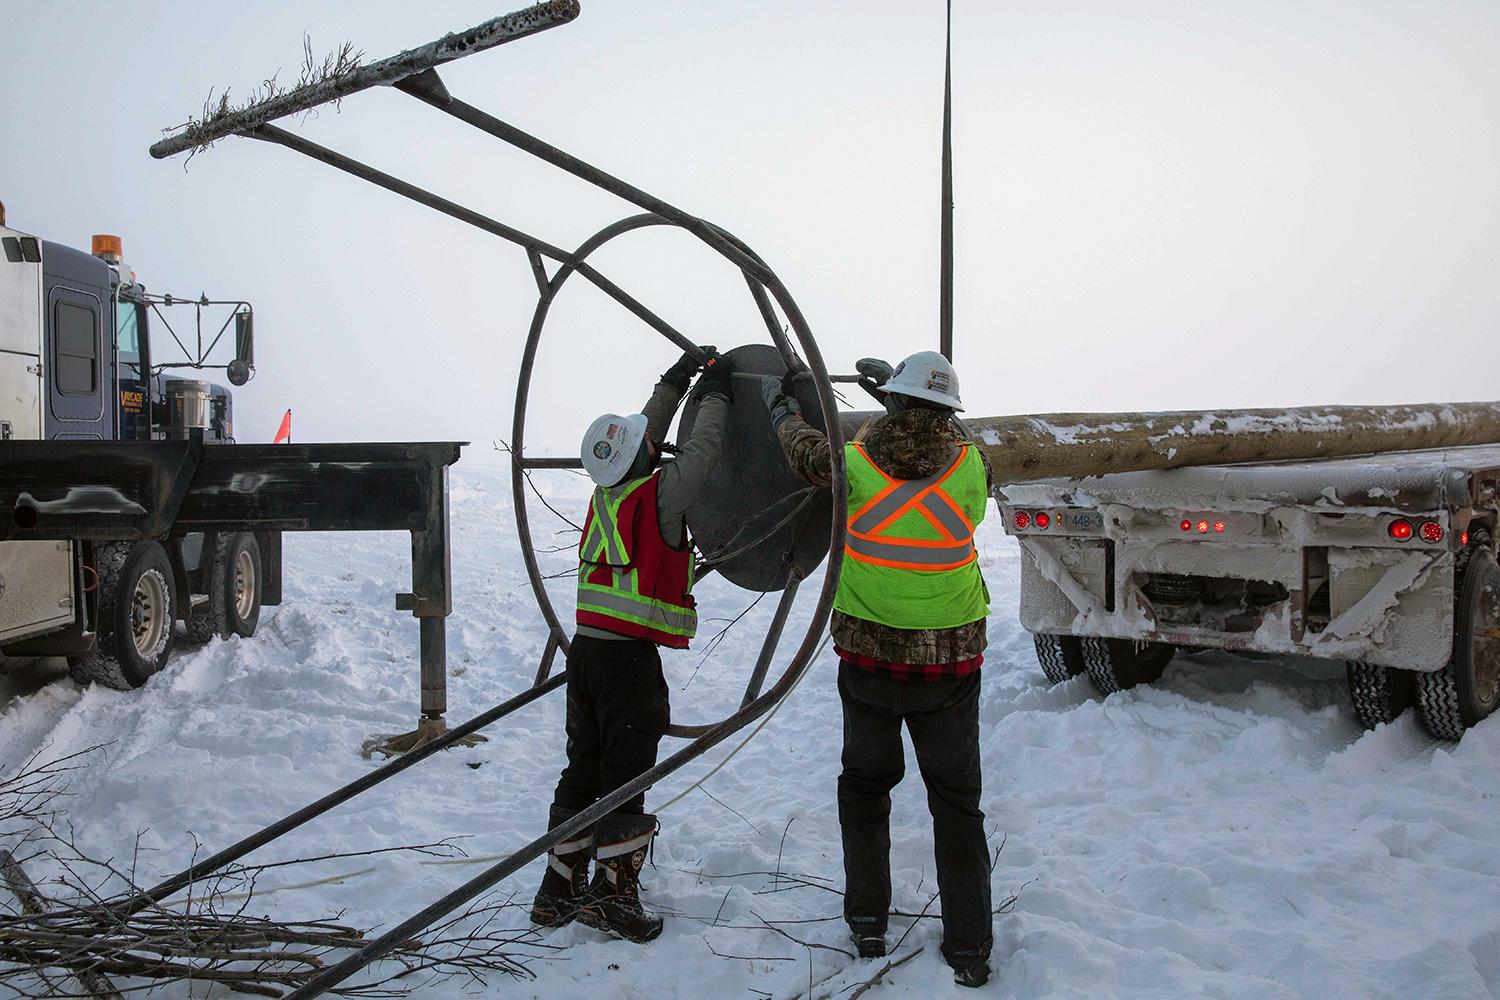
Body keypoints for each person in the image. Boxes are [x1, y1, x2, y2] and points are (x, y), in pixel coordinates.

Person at [760, 351, 995, 988]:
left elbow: (805, 448)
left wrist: (781, 407)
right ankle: (970, 947)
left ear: (892, 403)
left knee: (865, 789)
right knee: (957, 804)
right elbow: (952, 440)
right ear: (948, 411)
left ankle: (866, 921)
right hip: (950, 662)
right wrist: (897, 392)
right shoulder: (973, 465)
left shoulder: (854, 463)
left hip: (869, 659)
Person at [530, 346, 735, 943]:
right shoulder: (661, 495)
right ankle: (613, 898)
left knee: (584, 766)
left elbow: (644, 433)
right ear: (643, 457)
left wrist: (676, 379)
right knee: (626, 776)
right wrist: (716, 392)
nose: (655, 441)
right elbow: (701, 452)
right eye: (648, 442)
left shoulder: (610, 494)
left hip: (587, 657)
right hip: (626, 664)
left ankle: (558, 890)